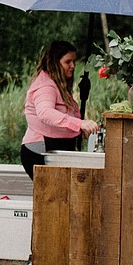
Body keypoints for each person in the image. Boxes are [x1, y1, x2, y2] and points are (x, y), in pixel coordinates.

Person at [20, 40, 100, 180]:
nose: (73, 66)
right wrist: (79, 124)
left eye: (74, 61)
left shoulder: (57, 84)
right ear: (55, 63)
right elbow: (45, 113)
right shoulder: (46, 86)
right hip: (42, 151)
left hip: (55, 149)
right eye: (68, 62)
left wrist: (80, 128)